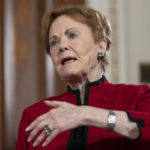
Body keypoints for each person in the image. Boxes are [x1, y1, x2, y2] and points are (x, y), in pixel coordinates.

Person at [16, 5, 150, 150]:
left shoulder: (137, 97)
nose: (62, 46)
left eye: (72, 35)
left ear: (101, 45)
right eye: (54, 42)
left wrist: (87, 114)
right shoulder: (34, 116)